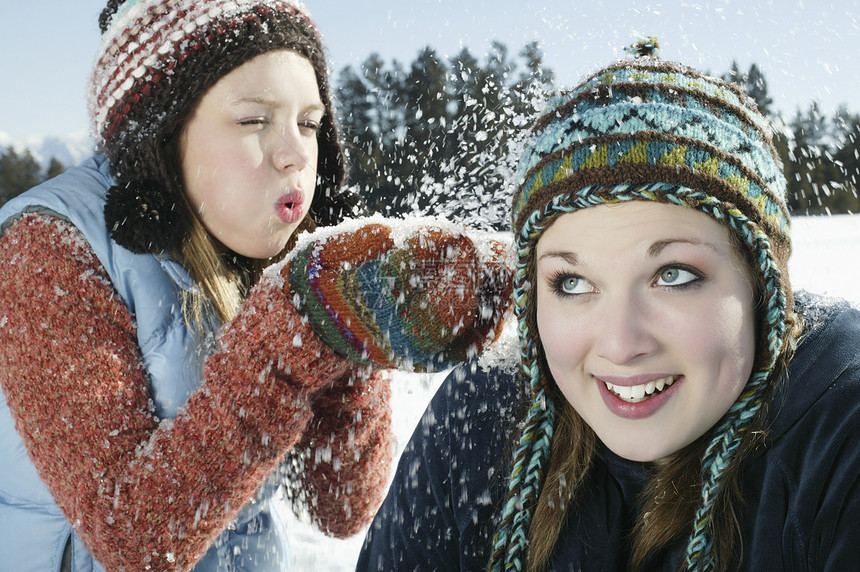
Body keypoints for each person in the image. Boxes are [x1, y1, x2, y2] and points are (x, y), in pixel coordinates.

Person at [0, 1, 512, 570]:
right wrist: (285, 345)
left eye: (310, 123)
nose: (296, 154)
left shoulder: (269, 241)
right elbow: (129, 538)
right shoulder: (48, 246)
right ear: (161, 137)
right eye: (253, 120)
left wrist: (352, 332)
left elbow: (340, 508)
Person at [358, 41, 860, 571]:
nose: (620, 345)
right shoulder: (481, 421)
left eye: (674, 276)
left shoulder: (841, 438)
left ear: (763, 287)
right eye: (572, 282)